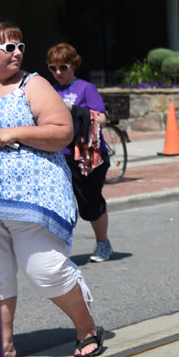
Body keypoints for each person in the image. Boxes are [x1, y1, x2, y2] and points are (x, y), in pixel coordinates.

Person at [0, 21, 101, 357]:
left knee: (45, 271)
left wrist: (14, 132)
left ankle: (86, 326)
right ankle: (4, 343)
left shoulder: (32, 84)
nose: (17, 53)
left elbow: (62, 132)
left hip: (33, 195)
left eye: (20, 47)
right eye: (9, 47)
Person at [47, 43, 115, 263]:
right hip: (61, 155)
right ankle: (58, 251)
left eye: (63, 67)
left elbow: (102, 119)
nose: (58, 72)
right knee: (59, 203)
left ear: (73, 65)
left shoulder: (85, 89)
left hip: (88, 156)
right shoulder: (50, 90)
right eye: (53, 68)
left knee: (90, 205)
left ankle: (103, 242)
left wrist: (71, 109)